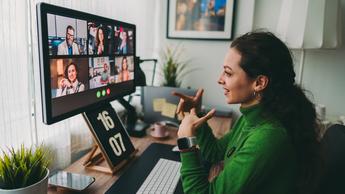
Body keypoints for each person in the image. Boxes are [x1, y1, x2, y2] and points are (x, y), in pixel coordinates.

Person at [173, 31, 322, 194]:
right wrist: (197, 115)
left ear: (259, 83)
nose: (220, 79)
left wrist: (186, 142)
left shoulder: (268, 137)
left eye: (228, 73)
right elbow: (215, 152)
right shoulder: (255, 117)